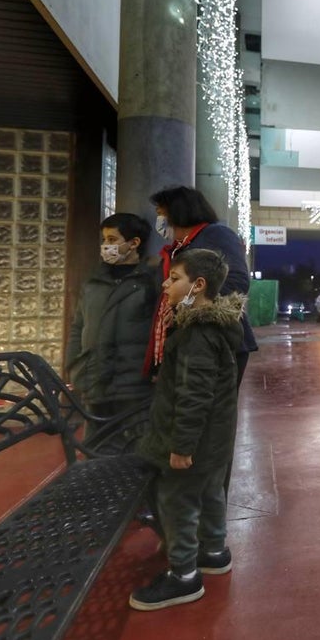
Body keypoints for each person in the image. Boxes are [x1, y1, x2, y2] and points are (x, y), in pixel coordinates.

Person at [130, 249, 245, 611]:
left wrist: (181, 446)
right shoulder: (216, 327)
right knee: (211, 493)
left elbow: (194, 395)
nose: (166, 283)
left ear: (199, 285)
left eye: (175, 277)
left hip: (192, 441)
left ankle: (183, 576)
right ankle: (213, 552)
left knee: (177, 502)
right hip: (214, 440)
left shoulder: (196, 334)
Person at [146, 185, 257, 384]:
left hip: (214, 340)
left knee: (202, 399)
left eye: (161, 213)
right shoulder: (176, 248)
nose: (159, 220)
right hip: (186, 338)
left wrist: (186, 305)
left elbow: (236, 281)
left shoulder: (216, 234)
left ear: (178, 211)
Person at [65, 213, 157, 451]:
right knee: (96, 451)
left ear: (134, 243)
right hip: (95, 383)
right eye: (104, 239)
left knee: (136, 453)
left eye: (113, 239)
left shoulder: (150, 283)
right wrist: (73, 365)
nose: (106, 246)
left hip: (134, 386)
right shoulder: (93, 282)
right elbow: (78, 327)